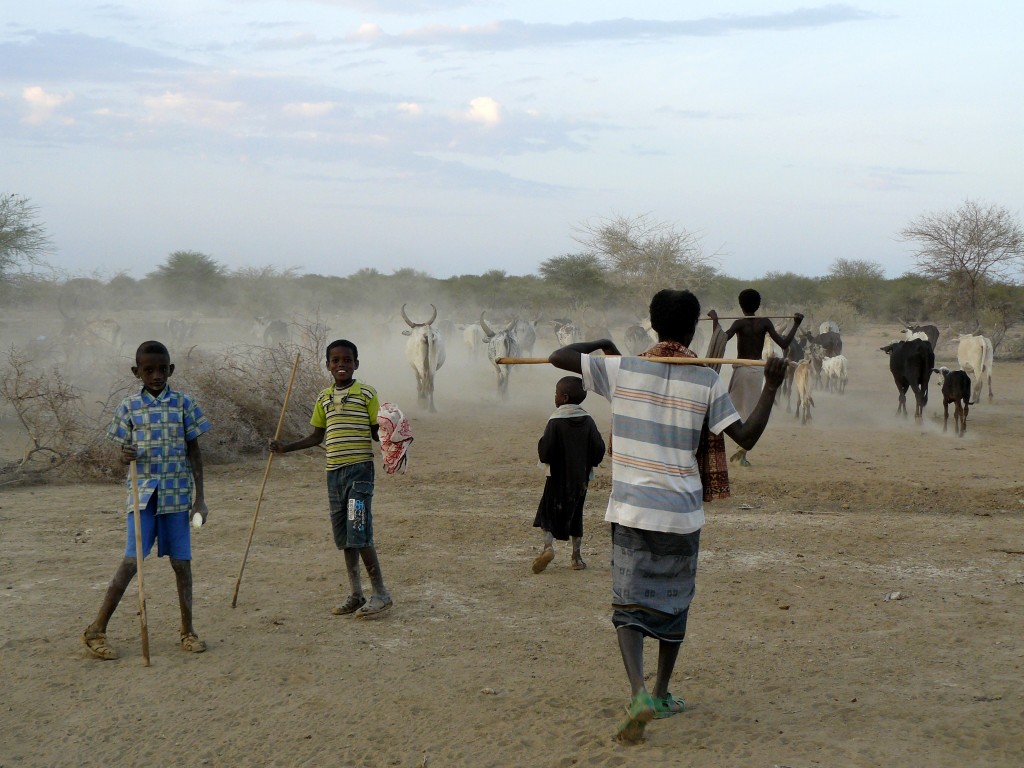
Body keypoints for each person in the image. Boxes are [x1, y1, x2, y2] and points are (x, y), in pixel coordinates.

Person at [549, 289, 788, 744]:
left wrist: (601, 340)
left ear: (654, 325)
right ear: (693, 328)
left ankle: (638, 692)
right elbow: (748, 438)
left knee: (628, 604)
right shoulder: (706, 381)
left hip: (632, 509)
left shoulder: (622, 369)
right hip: (680, 513)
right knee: (673, 603)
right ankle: (660, 693)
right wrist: (772, 386)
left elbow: (558, 355)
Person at [82, 340, 211, 660]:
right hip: (142, 497)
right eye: (148, 370)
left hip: (177, 495)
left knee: (182, 564)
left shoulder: (184, 404)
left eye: (162, 369)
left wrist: (201, 500)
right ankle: (96, 630)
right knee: (130, 562)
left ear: (171, 370)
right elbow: (120, 456)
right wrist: (124, 456)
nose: (156, 375)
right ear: (136, 372)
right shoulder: (128, 408)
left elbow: (195, 453)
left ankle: (188, 631)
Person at [268, 339, 392, 618]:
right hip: (334, 475)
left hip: (359, 472)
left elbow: (376, 432)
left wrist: (393, 433)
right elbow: (316, 437)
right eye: (335, 361)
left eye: (347, 360)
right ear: (327, 366)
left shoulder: (367, 394)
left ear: (356, 364)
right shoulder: (323, 398)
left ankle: (381, 593)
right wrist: (285, 447)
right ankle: (356, 594)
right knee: (346, 536)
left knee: (359, 531)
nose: (341, 365)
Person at [708, 288, 803, 466]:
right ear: (758, 305)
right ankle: (741, 452)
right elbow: (783, 343)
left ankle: (738, 452)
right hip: (758, 371)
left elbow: (720, 339)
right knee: (749, 411)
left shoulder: (739, 323)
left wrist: (715, 321)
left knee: (731, 411)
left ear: (740, 305)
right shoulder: (765, 322)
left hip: (743, 370)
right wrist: (796, 324)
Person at [532, 376, 605, 574]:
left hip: (556, 478)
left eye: (556, 393)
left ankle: (548, 548)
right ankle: (576, 557)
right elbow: (599, 450)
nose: (554, 397)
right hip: (579, 480)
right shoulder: (588, 421)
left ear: (563, 398)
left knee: (549, 514)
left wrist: (541, 443)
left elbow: (545, 452)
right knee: (576, 515)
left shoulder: (555, 421)